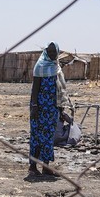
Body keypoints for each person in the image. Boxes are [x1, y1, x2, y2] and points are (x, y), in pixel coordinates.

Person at [29, 41, 71, 177]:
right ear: (46, 52)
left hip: (52, 109)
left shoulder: (56, 67)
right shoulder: (40, 67)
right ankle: (32, 167)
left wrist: (61, 110)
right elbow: (35, 89)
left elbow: (60, 90)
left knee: (48, 138)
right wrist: (34, 107)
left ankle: (45, 167)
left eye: (55, 52)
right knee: (36, 136)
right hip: (39, 108)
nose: (53, 54)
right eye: (50, 52)